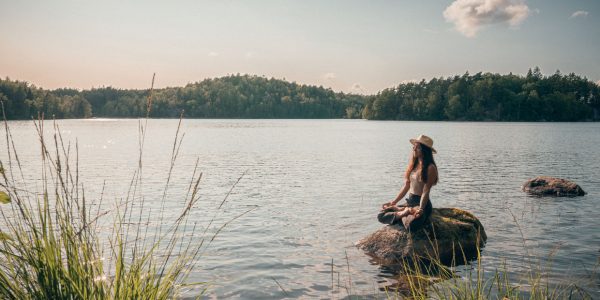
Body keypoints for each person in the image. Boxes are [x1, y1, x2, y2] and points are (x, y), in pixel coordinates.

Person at [378, 134, 438, 232]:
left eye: (417, 147)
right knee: (380, 215)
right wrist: (394, 202)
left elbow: (425, 191)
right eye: (414, 146)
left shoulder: (430, 168)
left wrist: (421, 209)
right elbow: (406, 186)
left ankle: (402, 212)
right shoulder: (413, 165)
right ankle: (404, 212)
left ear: (425, 150)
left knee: (411, 226)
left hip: (421, 203)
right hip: (410, 202)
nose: (414, 149)